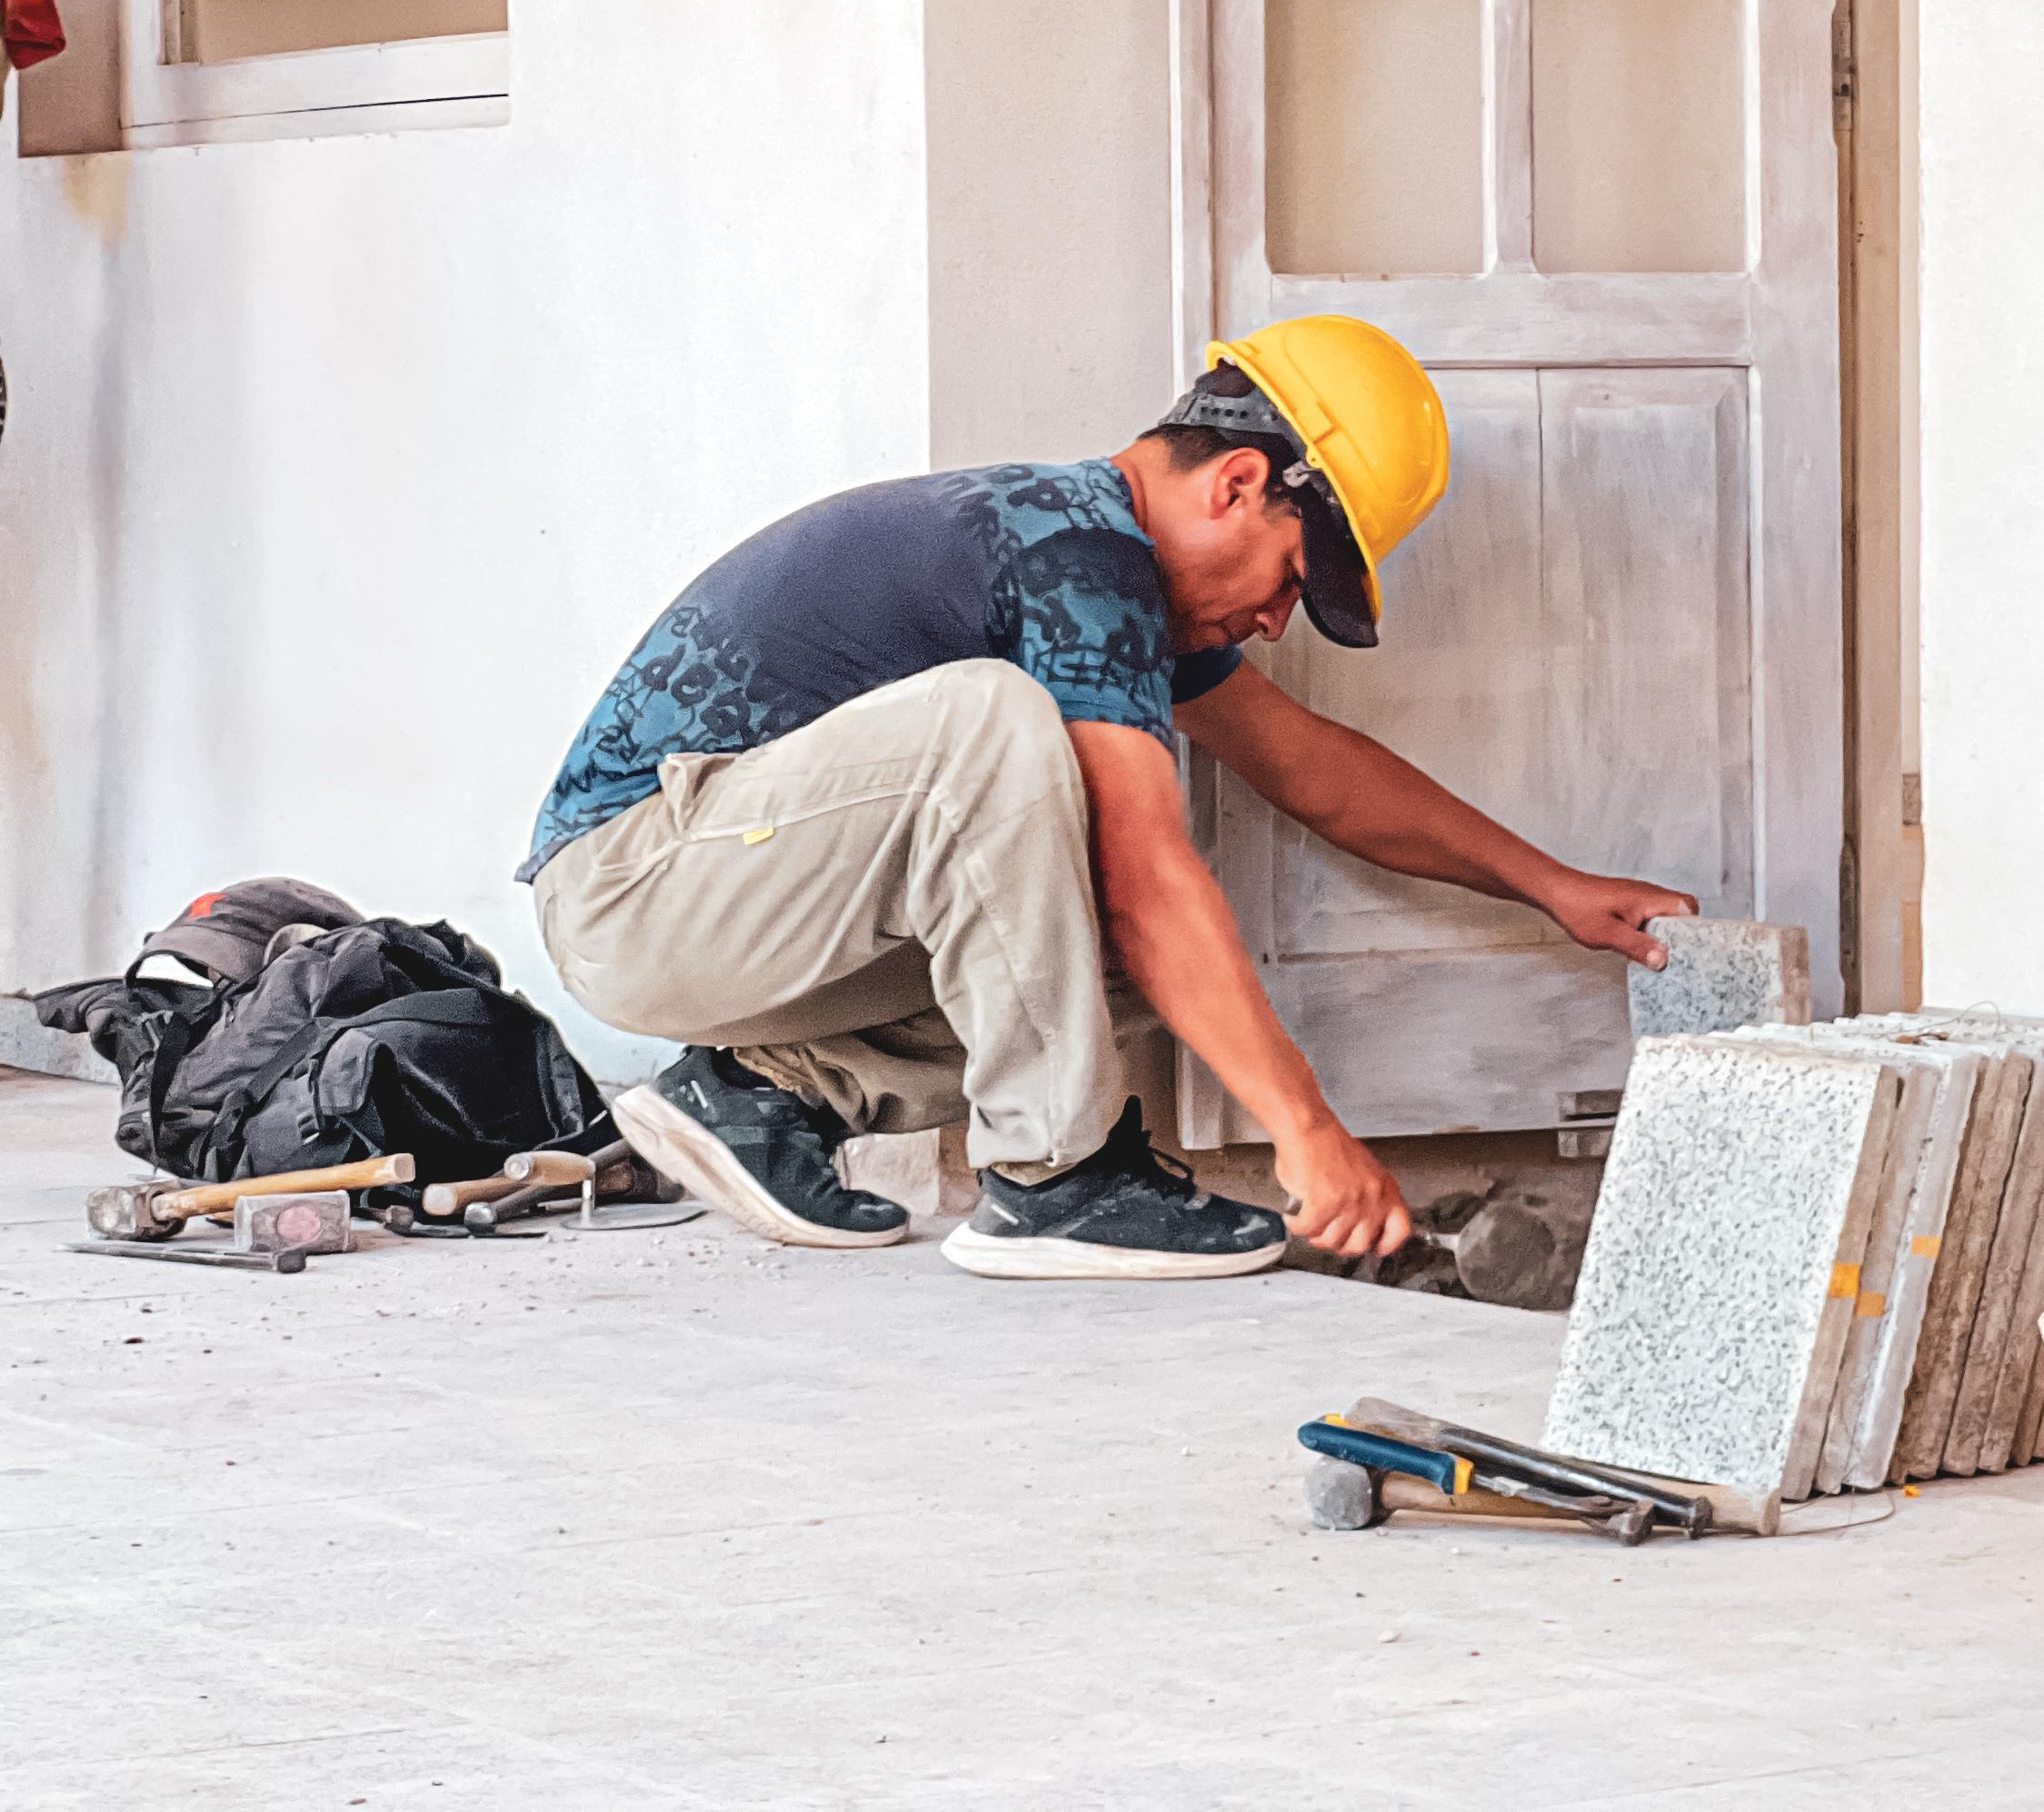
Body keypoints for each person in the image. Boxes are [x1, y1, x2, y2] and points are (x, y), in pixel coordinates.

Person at [520, 316, 1694, 1279]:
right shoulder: (1077, 559)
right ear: (1240, 482)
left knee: (1140, 926)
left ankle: (765, 1093)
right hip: (636, 886)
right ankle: (1052, 1178)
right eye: (1297, 576)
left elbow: (1309, 766)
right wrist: (1308, 1132)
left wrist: (1554, 888)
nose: (1281, 621)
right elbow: (1146, 876)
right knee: (1016, 744)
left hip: (724, 909)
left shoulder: (1097, 571)